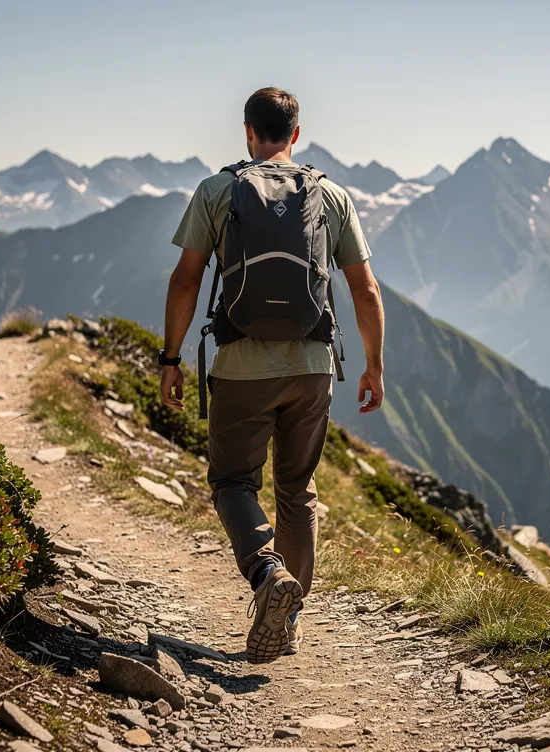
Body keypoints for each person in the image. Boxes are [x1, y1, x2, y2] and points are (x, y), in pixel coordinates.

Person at [158, 87, 386, 664]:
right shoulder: (331, 197)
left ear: (247, 131)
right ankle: (287, 623)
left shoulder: (217, 191)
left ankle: (265, 575)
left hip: (240, 366)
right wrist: (373, 367)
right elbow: (365, 289)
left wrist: (170, 358)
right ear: (296, 133)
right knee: (297, 491)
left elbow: (185, 280)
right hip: (312, 366)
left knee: (235, 483)